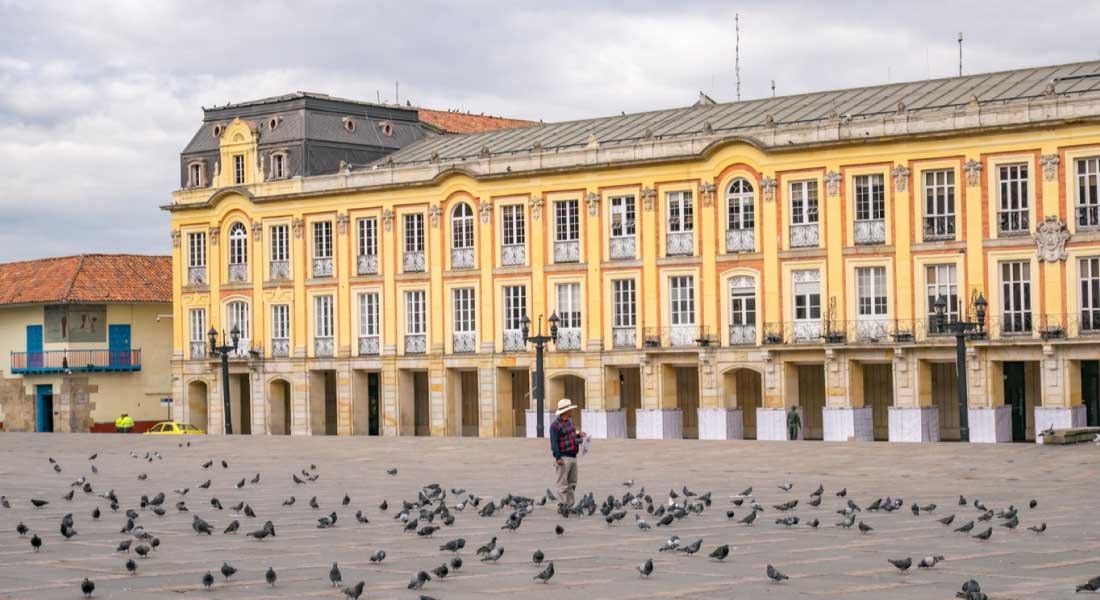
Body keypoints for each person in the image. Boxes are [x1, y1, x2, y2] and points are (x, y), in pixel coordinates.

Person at [549, 398, 585, 516]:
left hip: (573, 456)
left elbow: (572, 437)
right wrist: (558, 457)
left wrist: (579, 435)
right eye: (570, 409)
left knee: (572, 483)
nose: (571, 411)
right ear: (565, 411)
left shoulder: (569, 422)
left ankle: (570, 506)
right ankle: (562, 506)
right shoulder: (555, 426)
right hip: (563, 457)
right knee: (562, 484)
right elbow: (554, 443)